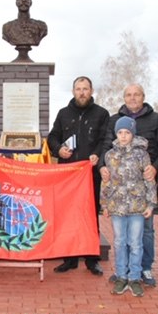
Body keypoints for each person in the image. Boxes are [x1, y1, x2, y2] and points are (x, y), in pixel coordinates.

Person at [100, 84, 158, 286]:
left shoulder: (156, 119)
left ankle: (144, 269)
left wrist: (155, 168)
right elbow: (106, 145)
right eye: (129, 95)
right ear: (124, 98)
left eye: (136, 94)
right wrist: (102, 167)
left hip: (143, 184)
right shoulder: (114, 120)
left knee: (144, 231)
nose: (132, 98)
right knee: (121, 237)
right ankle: (123, 271)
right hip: (119, 190)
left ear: (143, 96)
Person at [47, 76, 109, 276]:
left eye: (85, 89)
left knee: (90, 216)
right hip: (68, 175)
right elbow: (52, 137)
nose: (82, 92)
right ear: (73, 91)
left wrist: (97, 155)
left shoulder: (101, 113)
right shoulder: (63, 113)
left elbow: (105, 140)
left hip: (90, 174)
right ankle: (69, 259)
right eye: (78, 89)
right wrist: (59, 149)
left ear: (91, 91)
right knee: (67, 216)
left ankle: (92, 260)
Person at [101, 117, 157, 297]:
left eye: (127, 132)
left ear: (133, 133)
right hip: (117, 205)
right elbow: (106, 182)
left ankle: (134, 277)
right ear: (116, 134)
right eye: (120, 132)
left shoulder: (141, 155)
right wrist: (105, 204)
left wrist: (151, 203)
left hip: (136, 206)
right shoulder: (110, 155)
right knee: (119, 242)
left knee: (135, 243)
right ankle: (121, 276)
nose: (123, 136)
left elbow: (149, 180)